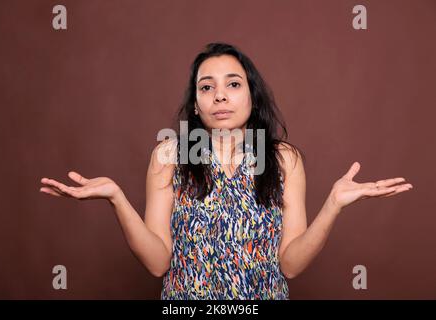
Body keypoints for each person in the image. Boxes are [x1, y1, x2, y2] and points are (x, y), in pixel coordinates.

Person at [39, 43, 413, 300]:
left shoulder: (285, 160)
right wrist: (117, 199)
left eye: (233, 84)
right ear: (197, 104)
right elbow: (157, 263)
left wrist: (333, 204)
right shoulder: (169, 155)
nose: (220, 95)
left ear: (252, 95)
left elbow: (291, 265)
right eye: (207, 87)